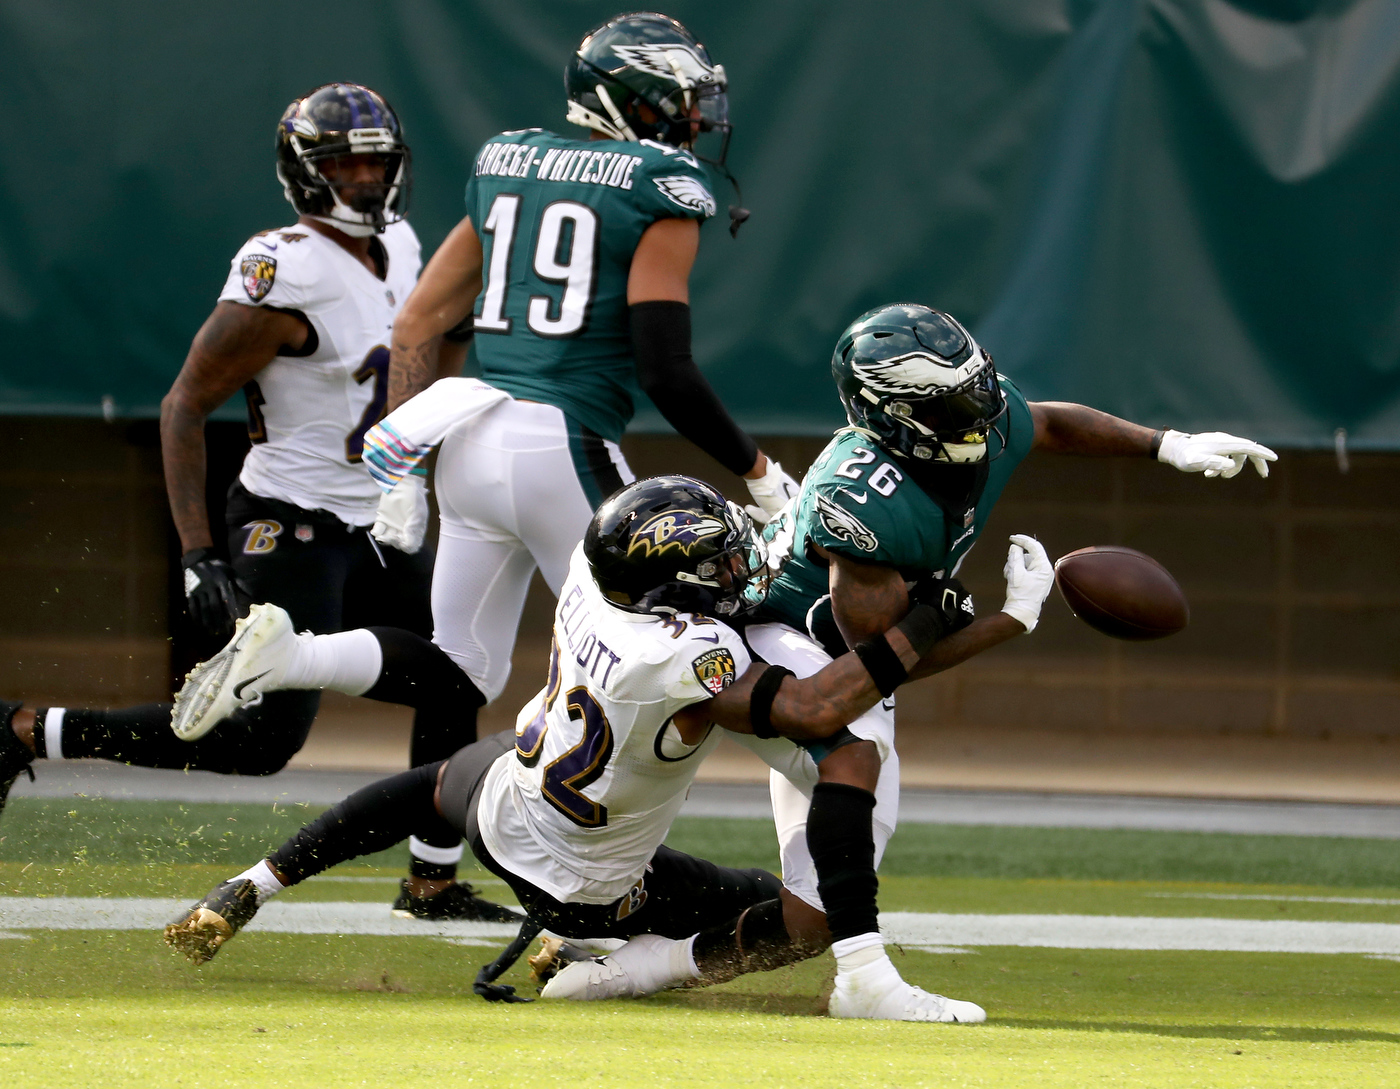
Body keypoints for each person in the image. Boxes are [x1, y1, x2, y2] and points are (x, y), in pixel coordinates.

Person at [543, 302, 1279, 1017]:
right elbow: (877, 667)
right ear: (896, 418)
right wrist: (1005, 621)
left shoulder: (979, 414)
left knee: (813, 915)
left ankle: (629, 970)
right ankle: (865, 977)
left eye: (977, 389)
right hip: (787, 643)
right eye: (956, 406)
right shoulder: (863, 504)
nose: (983, 415)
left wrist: (1168, 444)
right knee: (856, 745)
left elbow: (1046, 421)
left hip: (848, 660)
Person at [171, 14, 798, 790]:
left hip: (467, 442)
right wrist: (761, 470)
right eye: (677, 102)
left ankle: (294, 656)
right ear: (626, 103)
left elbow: (418, 322)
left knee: (458, 673)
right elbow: (665, 370)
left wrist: (403, 468)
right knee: (652, 643)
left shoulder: (512, 160)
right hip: (561, 441)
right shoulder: (658, 189)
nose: (694, 121)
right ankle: (634, 841)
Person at [164, 476, 1024, 1022]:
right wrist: (936, 628)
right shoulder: (681, 652)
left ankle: (244, 888)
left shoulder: (589, 570)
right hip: (590, 886)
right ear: (672, 589)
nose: (736, 572)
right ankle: (592, 961)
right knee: (780, 907)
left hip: (513, 800)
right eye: (719, 565)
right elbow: (809, 707)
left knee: (429, 787)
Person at [0, 83, 509, 922]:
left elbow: (432, 345)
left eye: (377, 162)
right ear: (305, 174)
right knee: (262, 743)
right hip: (292, 521)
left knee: (455, 678)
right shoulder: (284, 271)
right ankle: (25, 729)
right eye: (345, 163)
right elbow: (183, 405)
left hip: (377, 519)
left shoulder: (408, 244)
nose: (367, 180)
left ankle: (432, 882)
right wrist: (201, 554)